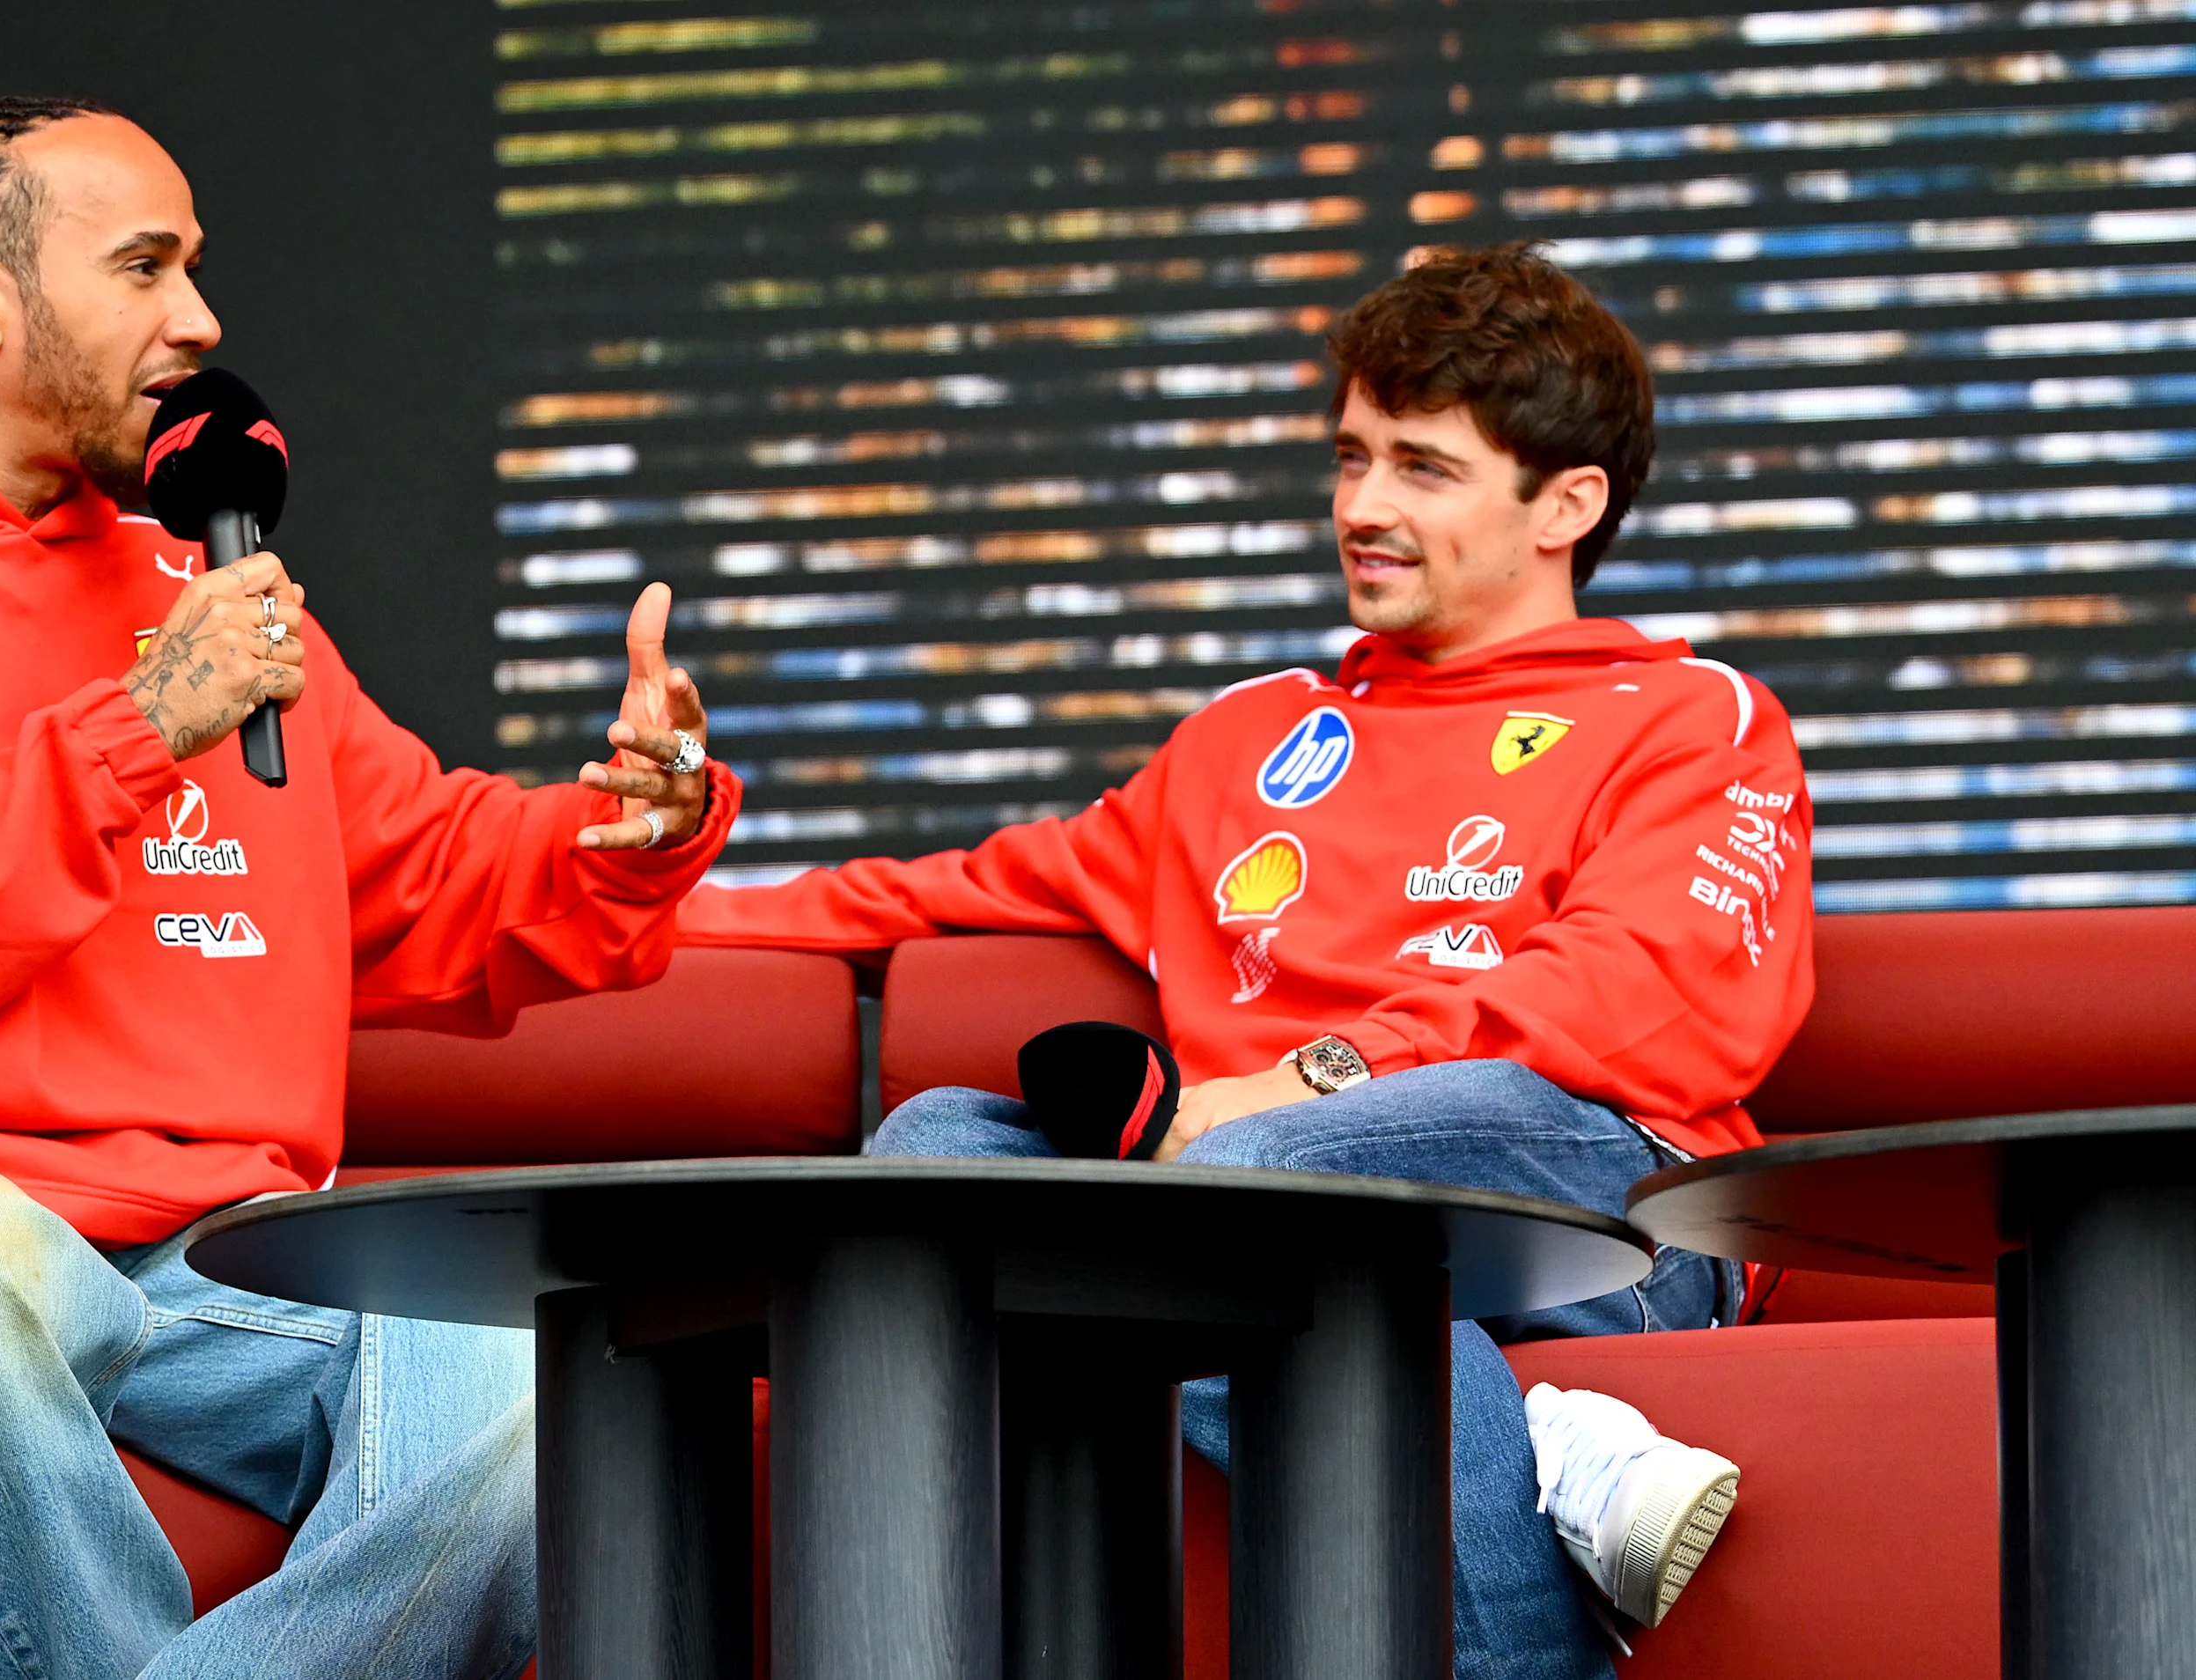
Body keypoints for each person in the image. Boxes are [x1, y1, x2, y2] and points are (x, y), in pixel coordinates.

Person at [0, 97, 734, 1680]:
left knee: (557, 1367)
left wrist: (635, 827)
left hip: (222, 1254)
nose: (199, 320)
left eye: (194, 268)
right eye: (143, 267)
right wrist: (141, 730)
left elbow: (432, 879)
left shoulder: (199, 584)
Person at [677, 242, 1809, 1677]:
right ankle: (1538, 1443)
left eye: (1422, 467)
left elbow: (1638, 999)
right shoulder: (1247, 740)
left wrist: (1307, 1082)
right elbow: (930, 895)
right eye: (1349, 457)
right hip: (1249, 1198)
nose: (1362, 508)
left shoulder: (1694, 715)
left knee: (1252, 1198)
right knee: (930, 1156)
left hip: (1605, 1204)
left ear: (1564, 506)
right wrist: (633, 879)